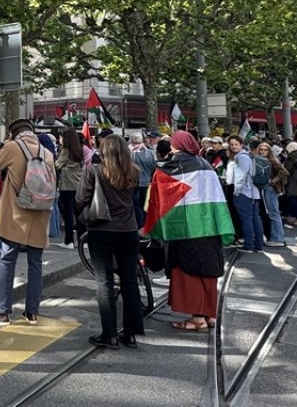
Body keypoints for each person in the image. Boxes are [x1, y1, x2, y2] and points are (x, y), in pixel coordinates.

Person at [145, 132, 232, 333]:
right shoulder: (205, 164)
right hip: (209, 225)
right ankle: (209, 314)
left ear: (176, 146)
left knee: (189, 271)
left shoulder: (172, 166)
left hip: (185, 228)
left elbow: (159, 196)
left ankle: (197, 318)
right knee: (207, 270)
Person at [0, 119, 53, 326]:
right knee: (35, 264)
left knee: (7, 260)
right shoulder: (46, 152)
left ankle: (2, 312)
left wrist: (5, 146)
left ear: (13, 135)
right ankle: (32, 313)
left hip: (15, 213)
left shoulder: (12, 147)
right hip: (39, 213)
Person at [78, 135, 144, 348]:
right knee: (130, 281)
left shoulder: (93, 171)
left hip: (101, 228)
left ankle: (110, 334)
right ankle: (131, 333)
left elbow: (80, 199)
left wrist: (81, 217)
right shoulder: (134, 171)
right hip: (129, 229)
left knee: (104, 282)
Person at [226, 136, 263, 253]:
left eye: (236, 144)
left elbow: (240, 176)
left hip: (244, 192)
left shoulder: (241, 157)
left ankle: (248, 245)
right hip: (252, 192)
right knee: (255, 217)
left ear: (241, 144)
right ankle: (258, 244)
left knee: (247, 218)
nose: (233, 147)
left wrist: (237, 191)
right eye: (231, 145)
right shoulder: (247, 156)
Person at [56, 129, 86, 248]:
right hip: (79, 184)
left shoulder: (65, 151)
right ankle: (83, 240)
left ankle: (69, 241)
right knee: (80, 213)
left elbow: (57, 164)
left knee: (68, 213)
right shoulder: (80, 150)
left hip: (67, 185)